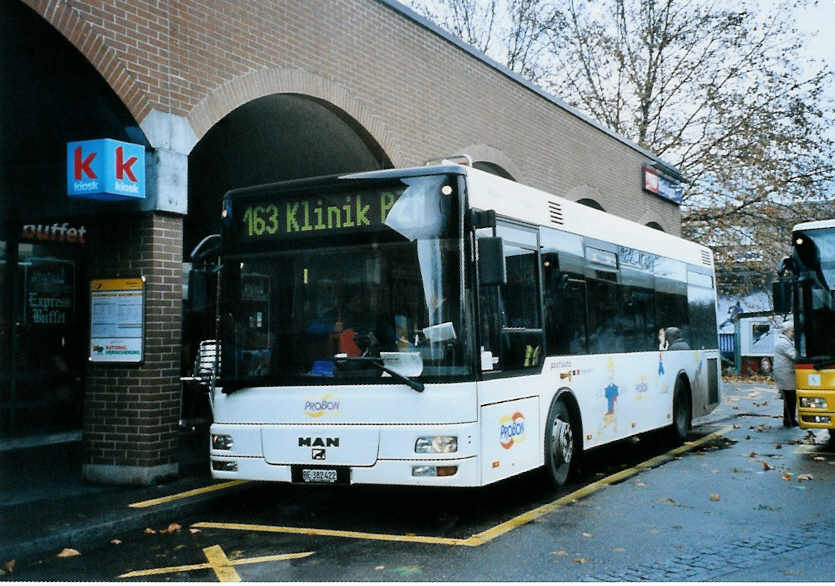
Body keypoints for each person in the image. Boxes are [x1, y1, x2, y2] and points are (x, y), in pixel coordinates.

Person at [773, 319, 798, 427]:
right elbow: (794, 356)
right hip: (786, 375)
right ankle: (789, 421)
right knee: (790, 398)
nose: (793, 334)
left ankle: (789, 420)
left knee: (789, 398)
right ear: (786, 331)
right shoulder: (784, 343)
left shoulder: (784, 341)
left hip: (785, 374)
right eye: (792, 331)